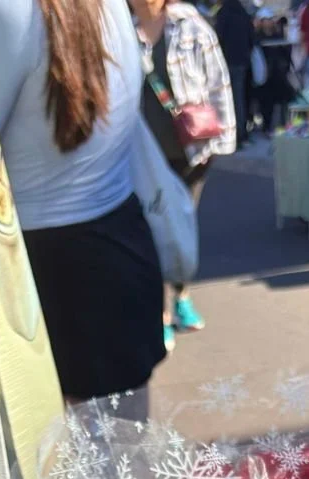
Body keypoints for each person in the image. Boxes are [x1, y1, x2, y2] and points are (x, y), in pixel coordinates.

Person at [0, 0, 166, 405]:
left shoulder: (4, 9)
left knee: (69, 440)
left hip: (48, 268)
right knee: (122, 436)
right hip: (119, 246)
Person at [130, 0, 236, 349]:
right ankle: (160, 313)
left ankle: (182, 296)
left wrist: (222, 140)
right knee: (152, 229)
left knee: (181, 228)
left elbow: (218, 81)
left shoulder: (189, 24)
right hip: (144, 153)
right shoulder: (120, 30)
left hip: (191, 151)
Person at [215, 0, 256, 148]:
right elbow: (252, 37)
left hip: (226, 61)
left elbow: (218, 37)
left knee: (228, 100)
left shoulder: (223, 13)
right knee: (240, 98)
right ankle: (242, 132)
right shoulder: (243, 13)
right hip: (242, 61)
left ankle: (233, 135)